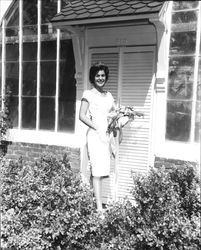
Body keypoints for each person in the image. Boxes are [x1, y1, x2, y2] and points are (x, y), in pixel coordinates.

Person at [79, 62, 115, 212]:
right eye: (97, 75)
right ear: (92, 78)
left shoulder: (109, 95)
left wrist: (115, 128)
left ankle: (97, 202)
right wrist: (97, 127)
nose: (100, 78)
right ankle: (99, 208)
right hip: (95, 135)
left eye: (103, 75)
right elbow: (82, 115)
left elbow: (113, 115)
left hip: (106, 136)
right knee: (97, 171)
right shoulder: (88, 94)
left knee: (103, 170)